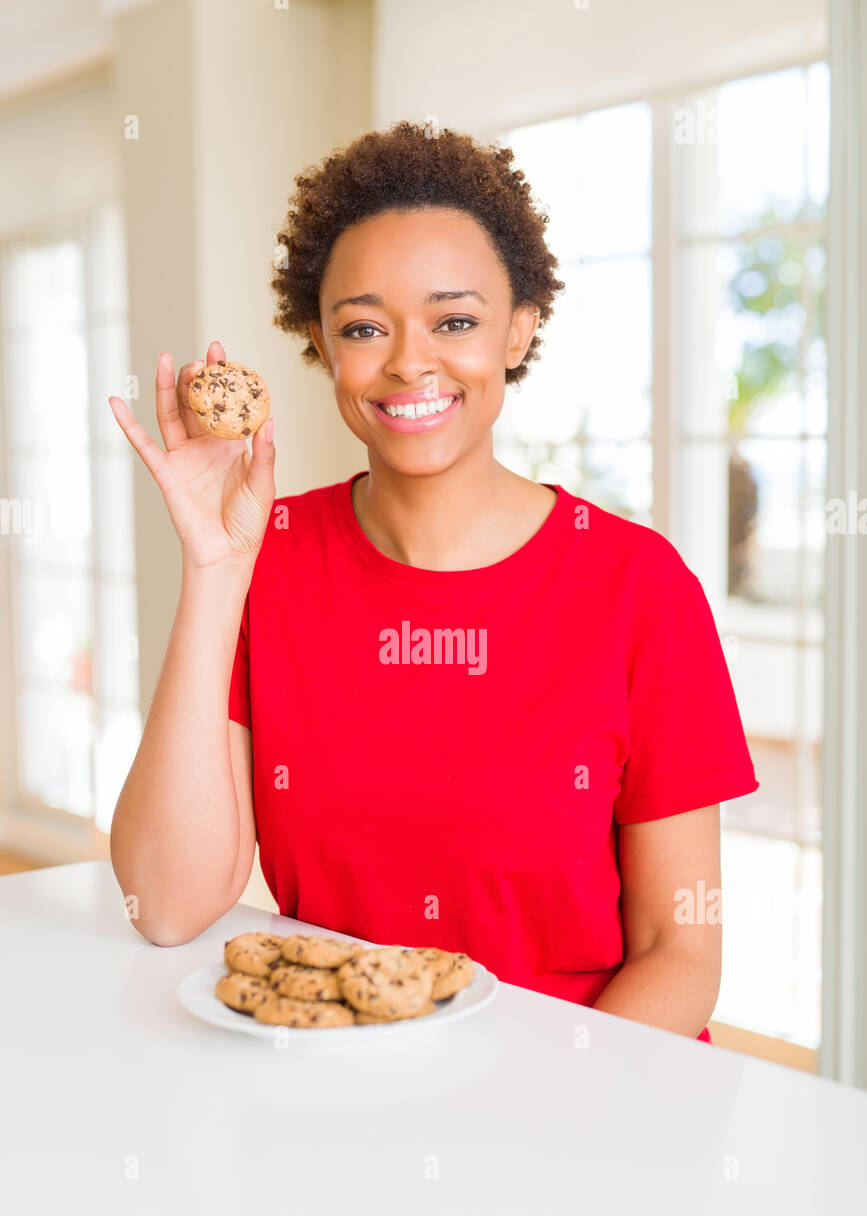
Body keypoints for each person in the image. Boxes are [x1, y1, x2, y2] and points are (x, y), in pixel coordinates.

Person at [108, 119, 758, 1043]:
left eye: (455, 320)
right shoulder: (270, 561)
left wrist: (525, 1126)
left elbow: (680, 952)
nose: (410, 361)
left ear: (519, 329)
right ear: (320, 344)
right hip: (342, 1101)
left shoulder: (637, 586)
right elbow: (163, 905)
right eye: (364, 327)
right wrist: (215, 570)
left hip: (585, 1107)